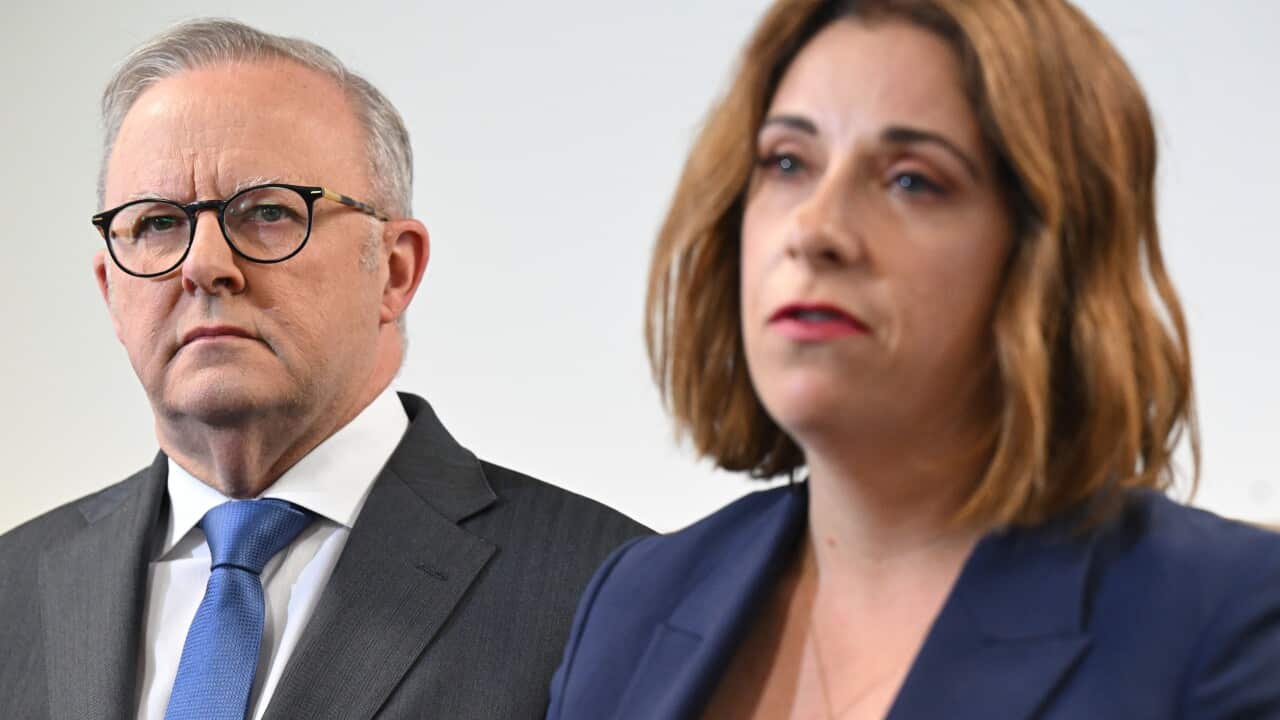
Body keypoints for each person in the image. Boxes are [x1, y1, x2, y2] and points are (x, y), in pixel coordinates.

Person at [547, 0, 1280, 718]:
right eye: (788, 163)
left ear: (1048, 254)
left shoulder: (1228, 623)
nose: (815, 229)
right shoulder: (634, 601)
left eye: (911, 180)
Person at [0, 18, 647, 720]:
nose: (204, 265)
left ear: (394, 272)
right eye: (158, 224)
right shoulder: (12, 587)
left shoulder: (612, 596)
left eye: (269, 212)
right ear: (110, 289)